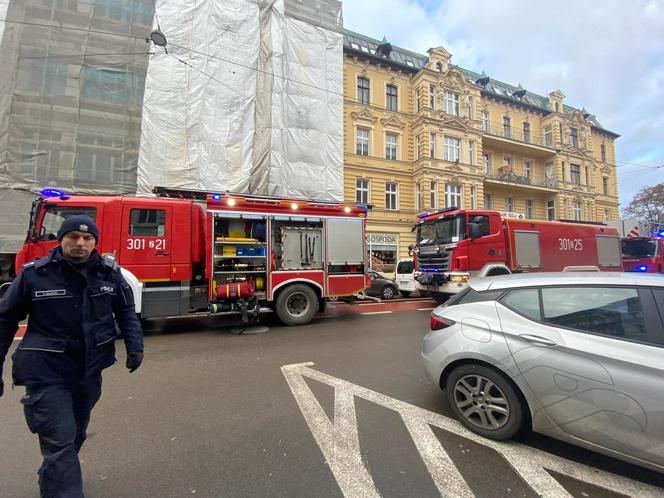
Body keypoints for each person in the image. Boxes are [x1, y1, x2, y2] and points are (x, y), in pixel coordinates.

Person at [0, 215, 144, 498]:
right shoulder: (34, 275)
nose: (80, 243)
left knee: (76, 433)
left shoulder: (108, 274)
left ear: (95, 243)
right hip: (46, 372)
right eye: (73, 238)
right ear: (61, 239)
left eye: (88, 239)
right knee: (61, 439)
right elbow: (5, 322)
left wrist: (135, 346)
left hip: (89, 372)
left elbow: (126, 311)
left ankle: (53, 475)